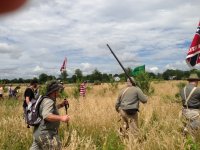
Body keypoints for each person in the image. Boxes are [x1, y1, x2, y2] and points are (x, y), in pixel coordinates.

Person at [30, 80, 70, 150]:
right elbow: (47, 115)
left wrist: (61, 105)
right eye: (58, 91)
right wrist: (61, 118)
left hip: (39, 134)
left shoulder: (44, 99)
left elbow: (49, 110)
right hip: (47, 135)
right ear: (54, 92)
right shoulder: (49, 101)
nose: (58, 93)